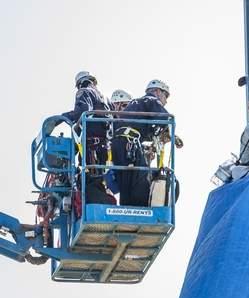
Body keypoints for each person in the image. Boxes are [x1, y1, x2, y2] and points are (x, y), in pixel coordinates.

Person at [111, 79, 171, 206]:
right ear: (157, 91)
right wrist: (168, 134)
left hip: (118, 144)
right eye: (165, 95)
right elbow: (165, 118)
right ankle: (141, 208)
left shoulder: (135, 105)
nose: (166, 100)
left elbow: (144, 130)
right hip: (129, 143)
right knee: (140, 179)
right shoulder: (151, 100)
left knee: (125, 181)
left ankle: (126, 208)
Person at [62, 71, 115, 204]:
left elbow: (83, 111)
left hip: (92, 147)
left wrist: (63, 118)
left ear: (79, 84)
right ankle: (104, 202)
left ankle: (96, 205)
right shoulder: (106, 99)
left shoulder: (84, 92)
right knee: (100, 178)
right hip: (105, 147)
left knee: (90, 179)